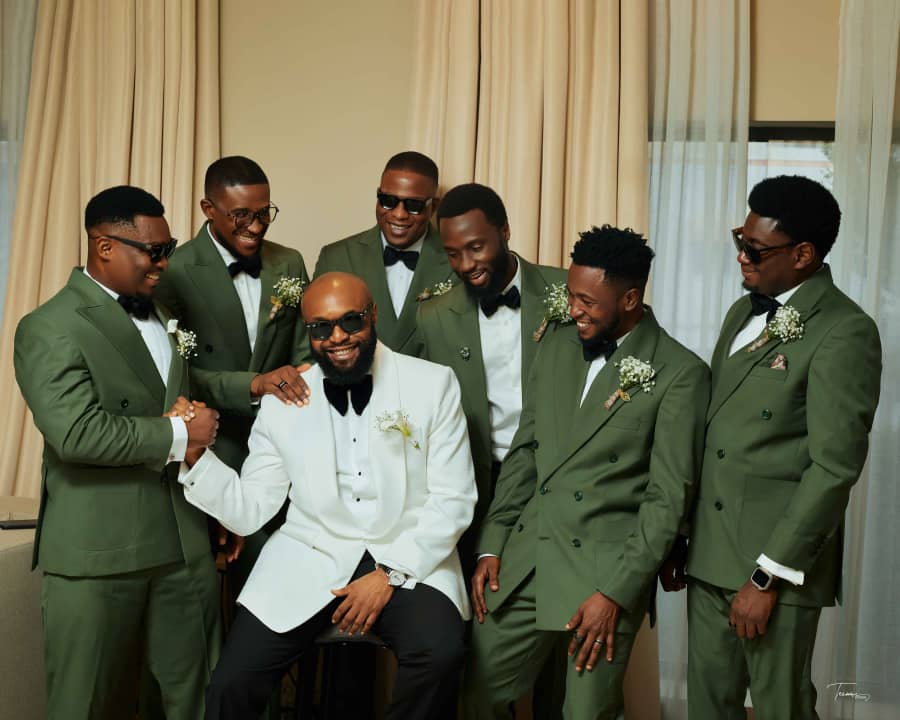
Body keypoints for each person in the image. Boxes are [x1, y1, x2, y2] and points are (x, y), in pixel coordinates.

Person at [178, 272, 477, 720]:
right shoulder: (283, 400)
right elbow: (250, 510)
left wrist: (389, 573)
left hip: (410, 552)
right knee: (231, 684)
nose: (337, 337)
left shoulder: (432, 385)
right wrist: (196, 456)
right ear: (308, 331)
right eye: (321, 327)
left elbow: (453, 499)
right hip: (309, 555)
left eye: (350, 321)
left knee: (440, 655)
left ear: (373, 315)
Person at [464, 225, 710, 719]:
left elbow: (667, 499)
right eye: (572, 295)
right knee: (478, 694)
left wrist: (616, 592)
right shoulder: (556, 344)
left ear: (631, 298)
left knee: (585, 713)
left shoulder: (680, 373)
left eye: (587, 301)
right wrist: (493, 543)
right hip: (528, 556)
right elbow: (526, 451)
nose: (573, 309)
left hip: (603, 574)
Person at [674, 175, 882, 719]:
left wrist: (768, 575)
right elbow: (718, 437)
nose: (741, 257)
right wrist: (683, 538)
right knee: (707, 709)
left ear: (804, 254)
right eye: (739, 240)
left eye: (755, 249)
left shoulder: (845, 331)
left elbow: (834, 468)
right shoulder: (739, 313)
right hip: (710, 557)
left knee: (780, 710)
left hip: (773, 569)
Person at [13, 185, 222, 719]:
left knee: (196, 701)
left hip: (182, 544)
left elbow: (178, 399)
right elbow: (77, 434)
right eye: (153, 251)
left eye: (168, 247)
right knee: (86, 706)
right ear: (104, 246)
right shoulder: (49, 327)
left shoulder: (164, 313)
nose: (164, 262)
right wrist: (181, 435)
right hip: (98, 553)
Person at [154, 155, 313, 605]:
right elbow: (175, 374)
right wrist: (252, 385)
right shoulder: (174, 270)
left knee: (284, 578)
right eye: (241, 215)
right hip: (209, 445)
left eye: (264, 213)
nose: (256, 226)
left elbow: (305, 352)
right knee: (209, 589)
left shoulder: (289, 262)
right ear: (208, 208)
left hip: (281, 446)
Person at [416, 182, 566, 574]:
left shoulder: (567, 292)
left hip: (559, 474)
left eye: (476, 247)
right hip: (481, 482)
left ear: (505, 231)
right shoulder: (434, 316)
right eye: (453, 253)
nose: (466, 264)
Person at [314, 151, 453, 355]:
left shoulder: (456, 260)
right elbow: (316, 339)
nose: (399, 214)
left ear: (434, 207)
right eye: (388, 200)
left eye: (413, 205)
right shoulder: (335, 258)